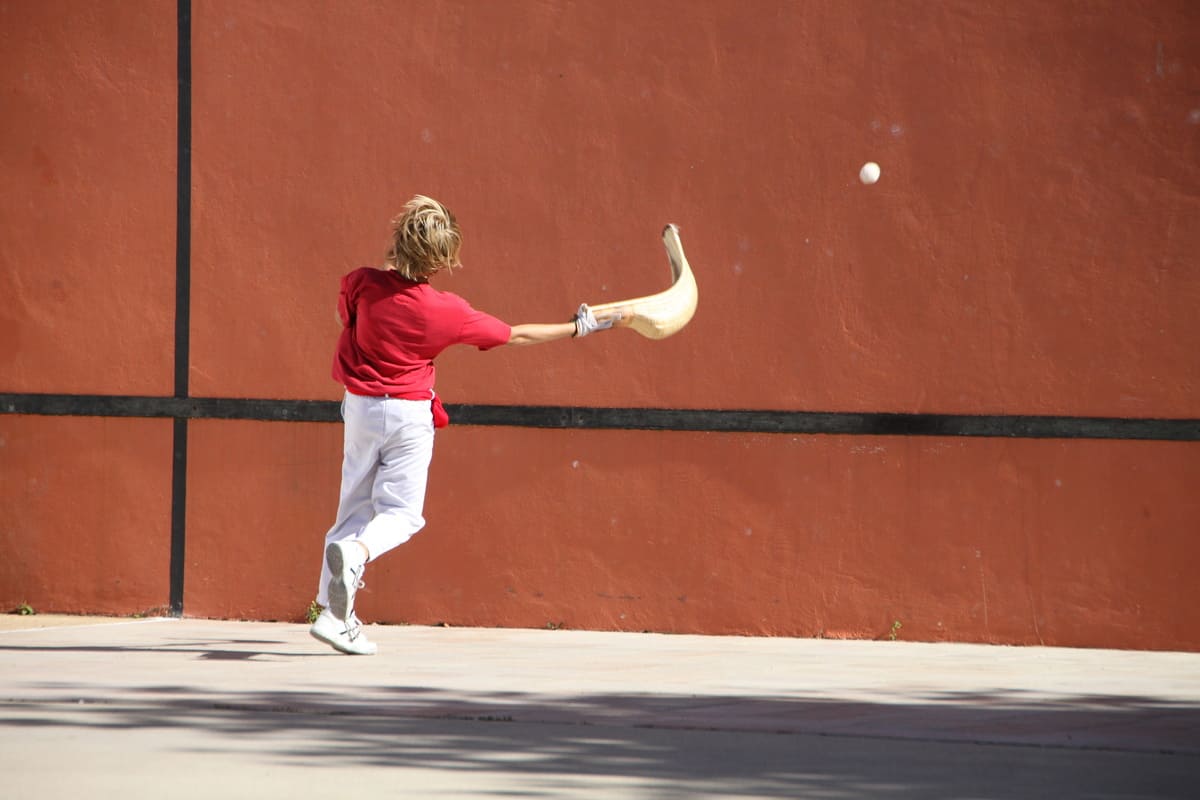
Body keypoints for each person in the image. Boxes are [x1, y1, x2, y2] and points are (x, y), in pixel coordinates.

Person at [310, 195, 627, 655]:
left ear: (400, 239)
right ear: (443, 258)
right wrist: (578, 327)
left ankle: (328, 613)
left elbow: (347, 318)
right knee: (400, 515)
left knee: (351, 509)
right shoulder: (448, 311)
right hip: (408, 413)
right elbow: (515, 334)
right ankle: (356, 559)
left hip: (360, 407)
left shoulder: (361, 283)